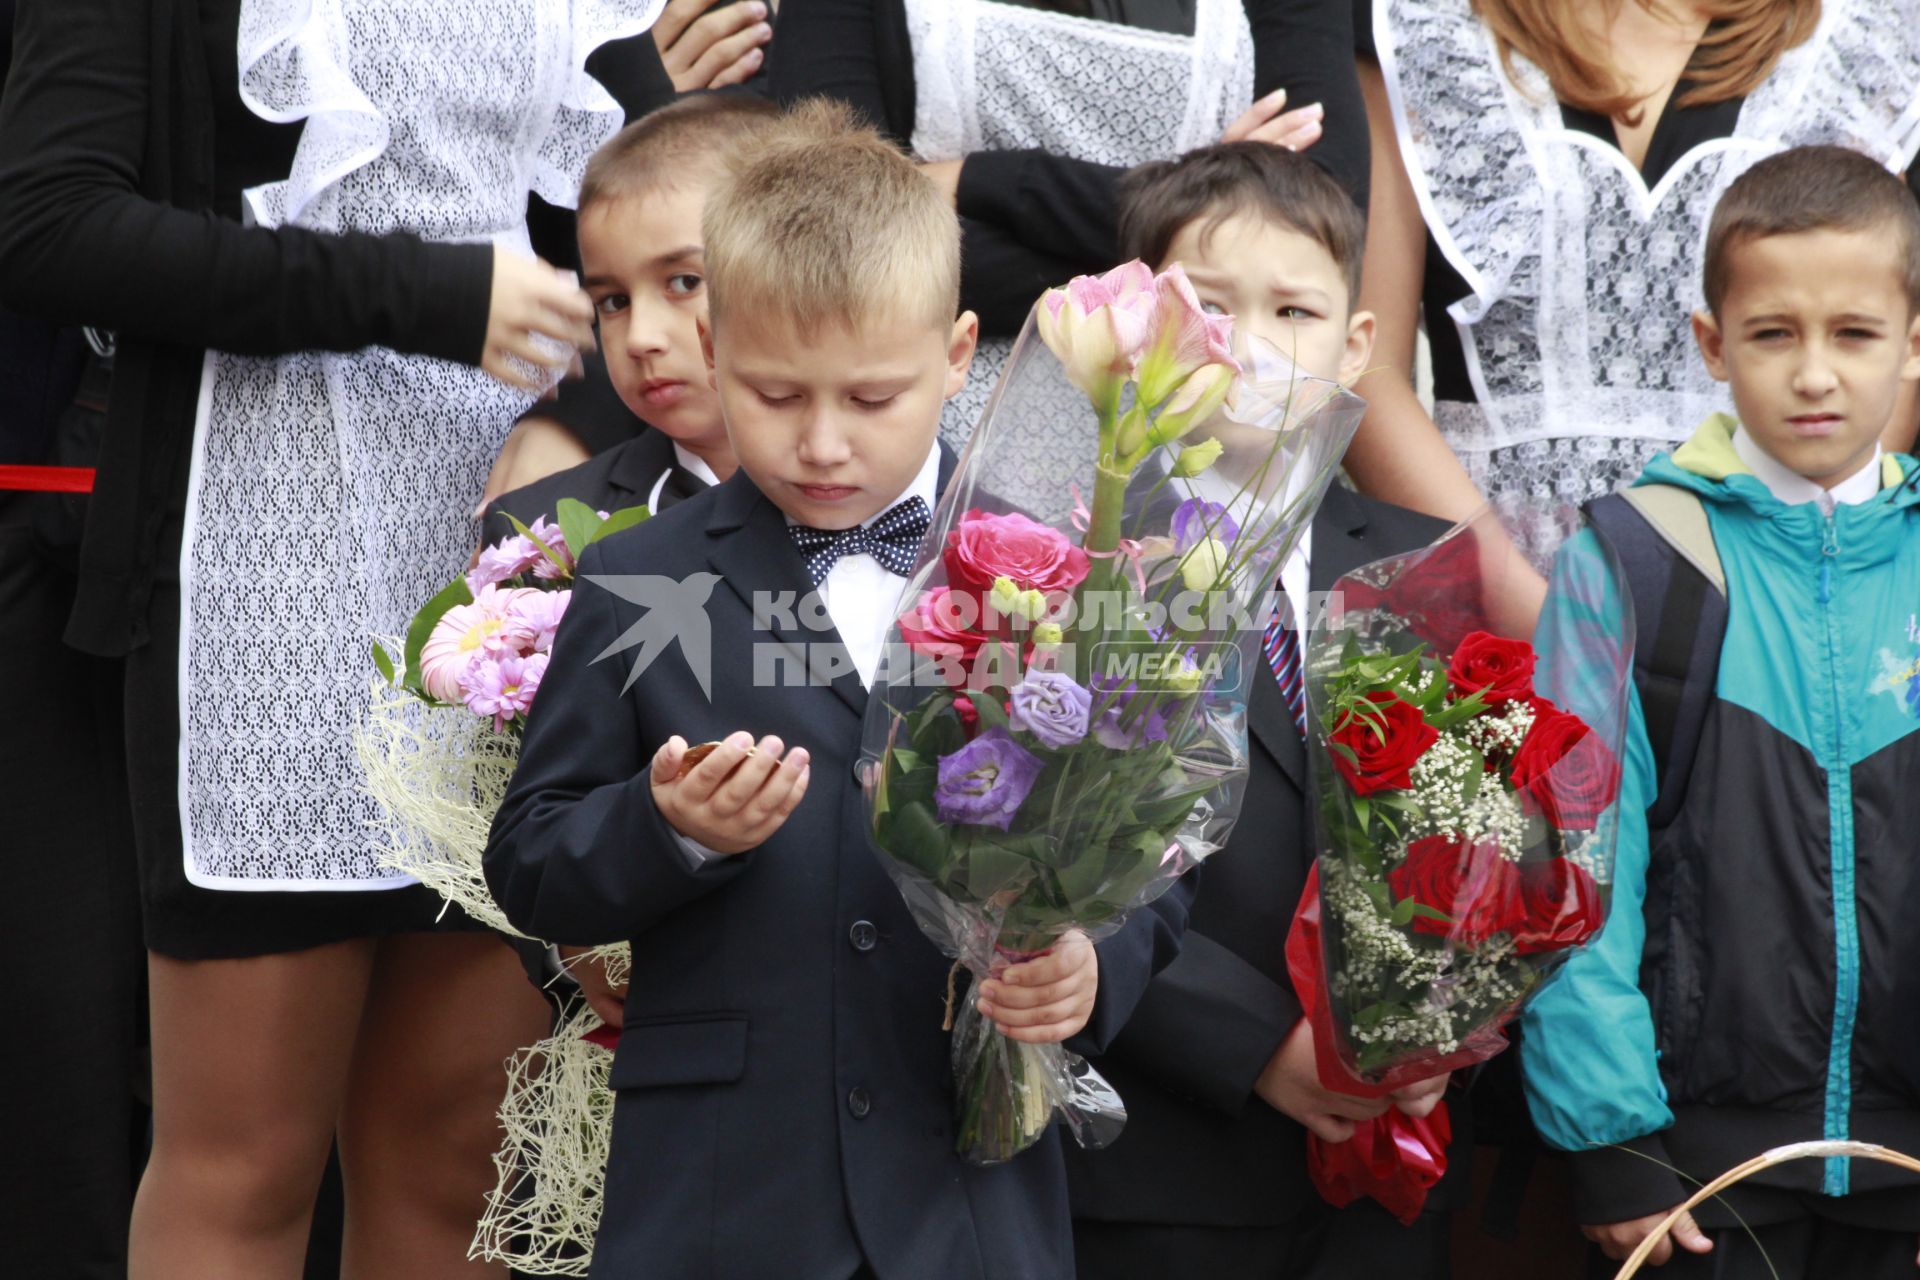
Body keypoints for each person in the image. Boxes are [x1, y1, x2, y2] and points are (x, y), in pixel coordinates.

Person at [0, 3, 676, 1276]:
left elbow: (716, 199)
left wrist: (580, 415)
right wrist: (422, 291)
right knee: (245, 1159)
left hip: (506, 585)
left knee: (456, 1147)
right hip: (258, 567)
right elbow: (45, 222)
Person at [485, 99, 1193, 1279]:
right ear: (715, 355)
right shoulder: (642, 577)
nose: (820, 443)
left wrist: (1091, 963)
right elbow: (530, 855)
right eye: (773, 395)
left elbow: (1149, 842)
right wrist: (667, 827)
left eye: (870, 399)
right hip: (726, 1194)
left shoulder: (1063, 562)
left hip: (968, 1195)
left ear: (959, 353)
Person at [1059, 140, 1462, 1280]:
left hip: (1385, 1176)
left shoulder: (1424, 566)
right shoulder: (1070, 565)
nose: (1250, 346)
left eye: (1294, 310)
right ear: (1139, 326)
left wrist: (1447, 1019)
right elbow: (1038, 859)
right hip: (1159, 1157)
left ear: (1358, 343)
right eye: (1210, 306)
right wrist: (1256, 1041)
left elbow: (1483, 831)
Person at [1521, 145, 1920, 1278]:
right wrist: (1613, 1140)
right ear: (1711, 342)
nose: (1814, 374)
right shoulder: (1638, 560)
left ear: (1914, 338)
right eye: (1772, 332)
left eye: (1854, 333)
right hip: (1696, 1174)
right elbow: (1573, 862)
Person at [1350, 0, 1920, 569]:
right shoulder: (1420, 27)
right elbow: (1365, 367)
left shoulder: (1860, 34)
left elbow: (1882, 337)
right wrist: (1539, 624)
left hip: (1776, 584)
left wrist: (1792, 580)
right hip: (1485, 598)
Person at [770, 0, 1360, 485]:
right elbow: (828, 234)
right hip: (929, 425)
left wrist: (987, 180)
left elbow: (1317, 218)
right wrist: (1199, 210)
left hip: (1204, 443)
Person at [481, 91, 779, 1027]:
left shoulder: (911, 508)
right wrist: (574, 957)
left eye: (682, 282)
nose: (642, 334)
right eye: (610, 300)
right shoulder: (540, 534)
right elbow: (515, 808)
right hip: (650, 1012)